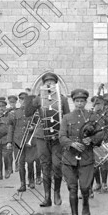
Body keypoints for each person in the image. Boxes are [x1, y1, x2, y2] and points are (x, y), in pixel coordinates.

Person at [22, 72, 70, 207]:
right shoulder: (39, 99)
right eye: (47, 82)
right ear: (43, 84)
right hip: (42, 136)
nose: (49, 84)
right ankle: (47, 197)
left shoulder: (62, 99)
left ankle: (57, 193)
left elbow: (67, 118)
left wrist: (66, 137)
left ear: (56, 84)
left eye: (52, 82)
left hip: (57, 137)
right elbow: (27, 113)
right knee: (45, 166)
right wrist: (31, 95)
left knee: (57, 165)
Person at [59, 89, 103, 215]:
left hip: (86, 158)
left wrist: (92, 139)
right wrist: (71, 143)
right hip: (69, 159)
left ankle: (85, 203)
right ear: (73, 102)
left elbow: (101, 133)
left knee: (84, 187)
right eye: (77, 101)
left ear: (85, 102)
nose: (79, 104)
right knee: (72, 188)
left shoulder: (92, 116)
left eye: (82, 101)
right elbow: (61, 136)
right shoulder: (66, 118)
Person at [12, 92, 39, 192]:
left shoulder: (34, 113)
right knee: (21, 162)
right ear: (19, 101)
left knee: (30, 161)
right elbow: (12, 127)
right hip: (18, 141)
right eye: (21, 99)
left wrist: (33, 129)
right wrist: (9, 142)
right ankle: (22, 184)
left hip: (29, 140)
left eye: (25, 100)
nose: (23, 102)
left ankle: (31, 180)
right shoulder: (15, 112)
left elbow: (38, 126)